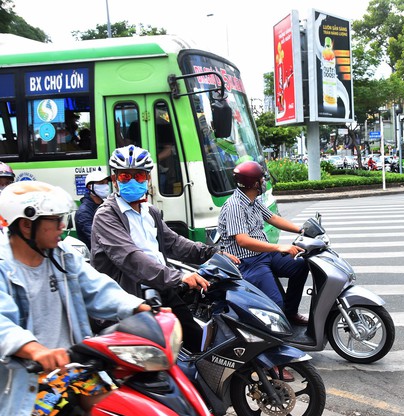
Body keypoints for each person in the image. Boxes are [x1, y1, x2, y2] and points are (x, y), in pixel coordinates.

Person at [0, 181, 150, 416]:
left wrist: (139, 307)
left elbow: (98, 288)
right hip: (24, 384)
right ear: (26, 226)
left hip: (74, 370)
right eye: (55, 221)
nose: (62, 227)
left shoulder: (63, 256)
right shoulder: (3, 266)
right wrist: (34, 350)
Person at [90, 145, 238, 351]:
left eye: (139, 175)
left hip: (161, 288)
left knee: (198, 342)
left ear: (148, 179)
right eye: (125, 176)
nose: (132, 181)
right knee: (156, 357)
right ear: (115, 180)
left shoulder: (149, 211)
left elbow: (174, 243)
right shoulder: (106, 216)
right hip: (130, 298)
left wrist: (212, 253)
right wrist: (178, 277)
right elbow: (131, 258)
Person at [218, 161, 310, 325]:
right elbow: (243, 240)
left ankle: (291, 313)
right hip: (248, 262)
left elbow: (273, 218)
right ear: (254, 183)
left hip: (265, 254)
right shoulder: (235, 206)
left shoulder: (253, 200)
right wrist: (279, 246)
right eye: (262, 179)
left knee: (301, 266)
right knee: (275, 305)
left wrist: (301, 230)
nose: (264, 181)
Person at [75, 171, 110, 250]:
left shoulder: (105, 205)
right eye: (101, 183)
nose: (106, 186)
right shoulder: (84, 212)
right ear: (90, 187)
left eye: (106, 183)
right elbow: (96, 238)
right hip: (95, 257)